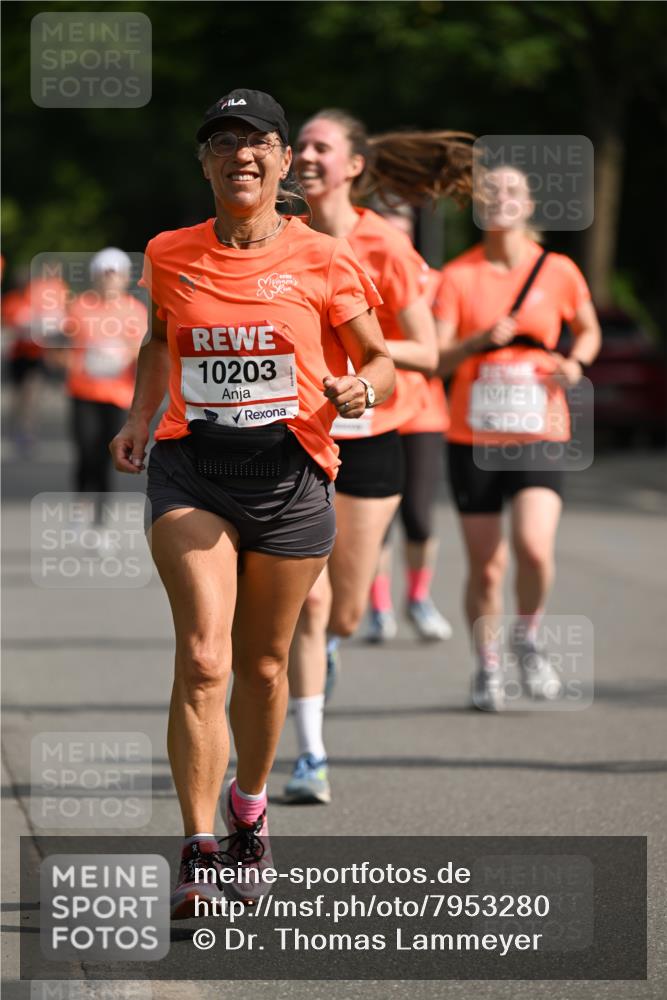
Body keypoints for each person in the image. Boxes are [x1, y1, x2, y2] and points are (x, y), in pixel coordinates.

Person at [109, 89, 394, 917]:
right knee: (204, 657)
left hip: (292, 474)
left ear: (278, 162)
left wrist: (356, 387)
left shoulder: (325, 257)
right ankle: (198, 848)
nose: (240, 155)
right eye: (222, 143)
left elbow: (379, 358)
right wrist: (137, 418)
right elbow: (160, 337)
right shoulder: (167, 252)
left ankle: (249, 808)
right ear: (203, 163)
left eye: (256, 143)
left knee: (264, 666)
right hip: (190, 468)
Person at [284, 111, 472, 804]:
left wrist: (366, 368)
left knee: (341, 612)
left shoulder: (383, 244)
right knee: (311, 603)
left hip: (372, 435)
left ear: (353, 166)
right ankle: (311, 756)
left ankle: (329, 652)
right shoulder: (280, 238)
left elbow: (429, 349)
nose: (304, 156)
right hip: (297, 436)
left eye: (318, 147)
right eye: (298, 145)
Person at [434, 164, 601, 711]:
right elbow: (437, 357)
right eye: (490, 192)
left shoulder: (558, 270)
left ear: (529, 205)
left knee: (533, 547)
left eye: (511, 191)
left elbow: (589, 329)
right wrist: (479, 340)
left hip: (539, 430)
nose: (500, 199)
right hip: (473, 437)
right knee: (486, 566)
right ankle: (486, 666)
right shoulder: (458, 276)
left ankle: (526, 635)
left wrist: (575, 362)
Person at [364, 199, 453, 644]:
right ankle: (378, 607)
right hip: (371, 409)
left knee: (418, 516)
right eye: (384, 214)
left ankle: (418, 598)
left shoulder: (436, 281)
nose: (393, 223)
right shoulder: (356, 267)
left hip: (422, 412)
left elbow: (440, 351)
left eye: (402, 214)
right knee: (373, 519)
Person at [65, 248, 146, 529]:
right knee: (85, 451)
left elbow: (143, 352)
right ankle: (80, 507)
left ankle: (100, 520)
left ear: (124, 278)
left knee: (106, 455)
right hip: (83, 392)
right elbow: (62, 345)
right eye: (104, 275)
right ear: (95, 277)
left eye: (115, 275)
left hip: (117, 395)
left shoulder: (135, 310)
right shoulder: (79, 306)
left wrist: (124, 355)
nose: (109, 281)